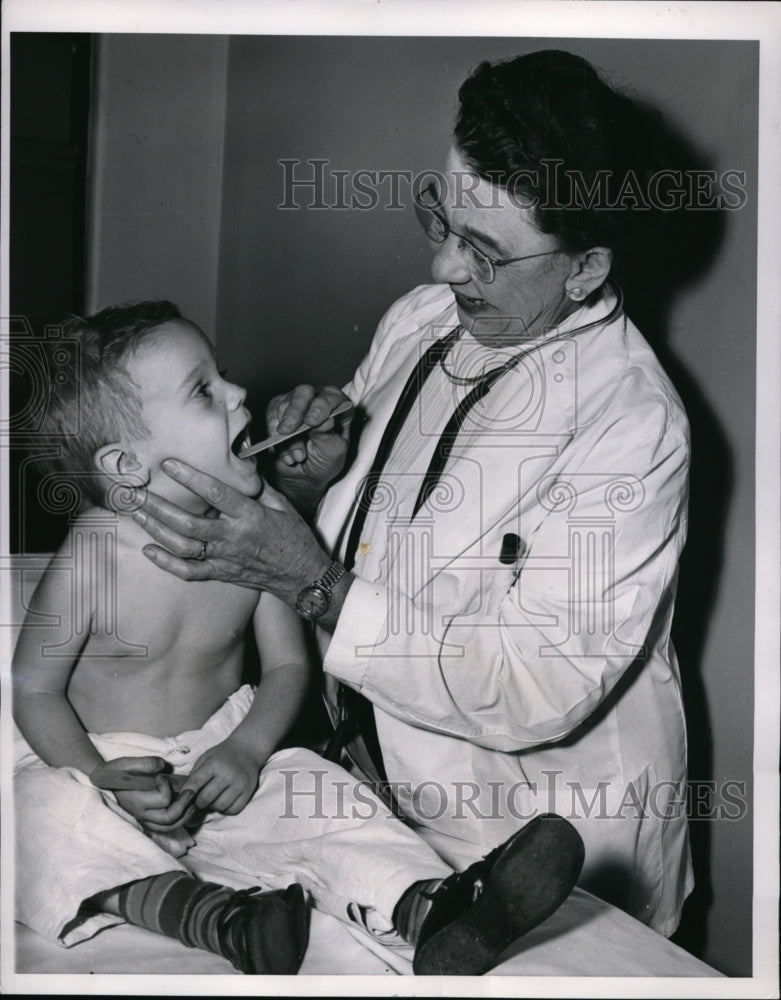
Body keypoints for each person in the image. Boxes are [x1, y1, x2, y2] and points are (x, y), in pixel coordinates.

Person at [133, 50, 692, 937]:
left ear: (584, 269)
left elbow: (531, 686)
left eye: (484, 251)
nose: (441, 266)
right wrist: (318, 480)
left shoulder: (630, 428)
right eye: (440, 217)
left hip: (537, 836)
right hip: (387, 805)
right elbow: (398, 541)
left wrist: (313, 584)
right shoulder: (425, 321)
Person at [12, 299, 585, 977]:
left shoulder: (266, 524)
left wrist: (249, 750)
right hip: (115, 763)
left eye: (220, 374)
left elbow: (288, 667)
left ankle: (433, 905)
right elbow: (33, 686)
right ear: (127, 464)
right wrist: (96, 773)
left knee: (320, 790)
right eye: (203, 391)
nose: (238, 391)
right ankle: (208, 915)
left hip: (227, 754)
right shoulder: (94, 554)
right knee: (37, 812)